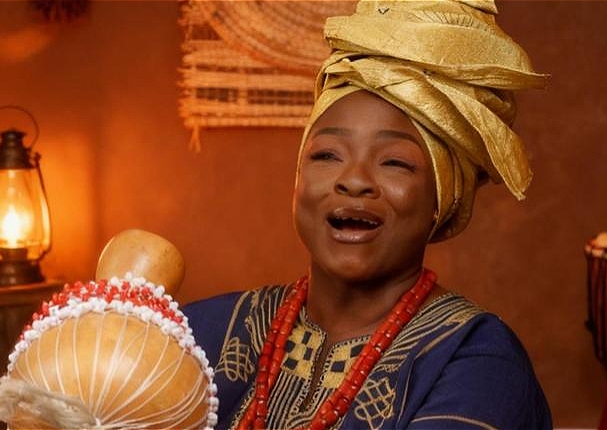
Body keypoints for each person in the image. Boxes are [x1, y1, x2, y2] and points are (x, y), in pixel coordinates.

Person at [183, 0, 552, 428]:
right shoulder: (204, 332)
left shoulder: (479, 364)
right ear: (297, 181)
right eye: (327, 155)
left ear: (441, 198)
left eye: (395, 162)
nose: (354, 180)